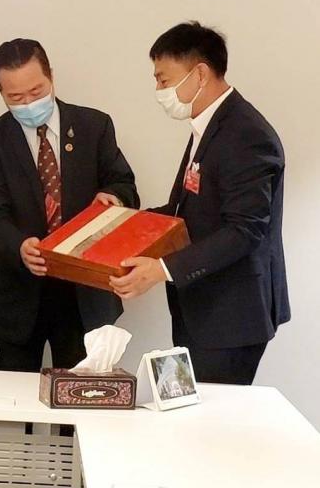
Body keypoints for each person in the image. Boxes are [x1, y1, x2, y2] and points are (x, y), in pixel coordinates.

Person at [110, 21, 289, 385]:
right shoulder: (210, 126)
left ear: (201, 74)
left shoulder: (246, 134)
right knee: (190, 408)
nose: (159, 91)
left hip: (230, 316)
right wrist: (119, 222)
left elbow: (244, 230)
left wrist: (162, 269)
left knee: (210, 415)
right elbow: (186, 210)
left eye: (164, 80)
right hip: (201, 308)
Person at [0, 38, 139, 372]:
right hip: (22, 293)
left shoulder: (94, 126)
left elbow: (125, 185)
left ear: (51, 77)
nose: (28, 103)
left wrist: (113, 198)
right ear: (1, 93)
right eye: (16, 97)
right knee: (14, 394)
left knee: (83, 393)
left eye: (36, 91)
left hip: (84, 291)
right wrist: (19, 246)